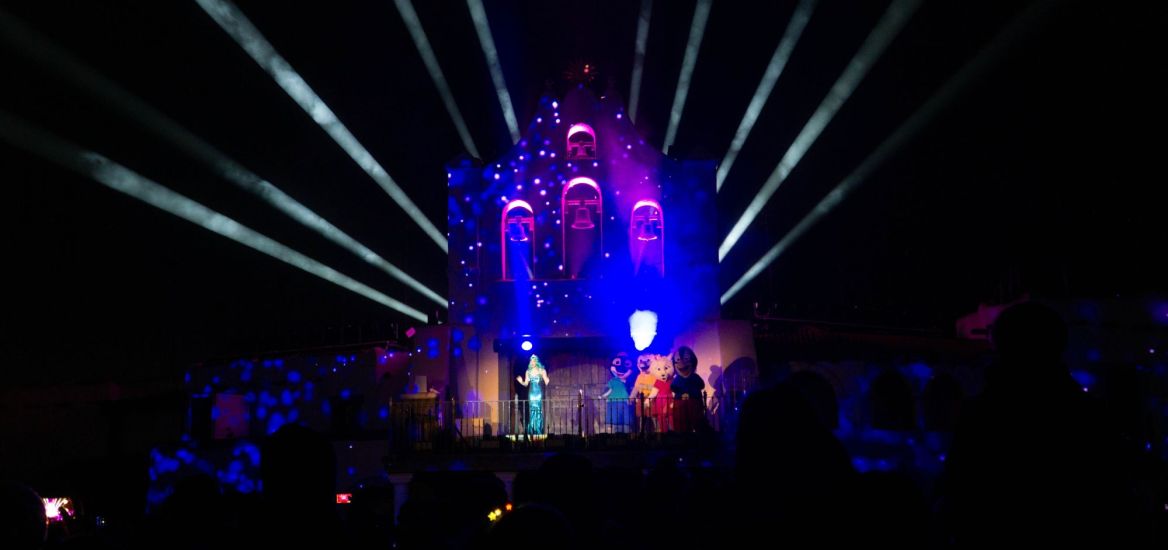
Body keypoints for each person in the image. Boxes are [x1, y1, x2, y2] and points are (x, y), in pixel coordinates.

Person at [669, 346, 706, 432]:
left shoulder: (695, 377)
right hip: (680, 404)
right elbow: (673, 387)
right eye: (678, 360)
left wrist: (690, 393)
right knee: (681, 423)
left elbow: (701, 385)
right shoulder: (677, 379)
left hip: (694, 402)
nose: (681, 363)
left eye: (686, 359)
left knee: (697, 421)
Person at [599, 352, 634, 433]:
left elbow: (632, 390)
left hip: (625, 402)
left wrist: (632, 398)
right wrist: (602, 396)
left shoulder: (628, 382)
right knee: (614, 420)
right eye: (617, 363)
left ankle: (626, 435)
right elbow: (609, 390)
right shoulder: (613, 381)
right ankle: (615, 435)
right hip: (613, 402)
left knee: (626, 420)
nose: (621, 368)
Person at [516, 355, 550, 436]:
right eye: (531, 360)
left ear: (536, 362)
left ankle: (538, 430)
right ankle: (532, 430)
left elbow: (547, 382)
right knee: (532, 410)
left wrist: (545, 375)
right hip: (531, 393)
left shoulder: (541, 370)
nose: (532, 362)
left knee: (538, 410)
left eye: (534, 361)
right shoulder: (528, 371)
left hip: (538, 393)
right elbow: (526, 383)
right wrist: (521, 381)